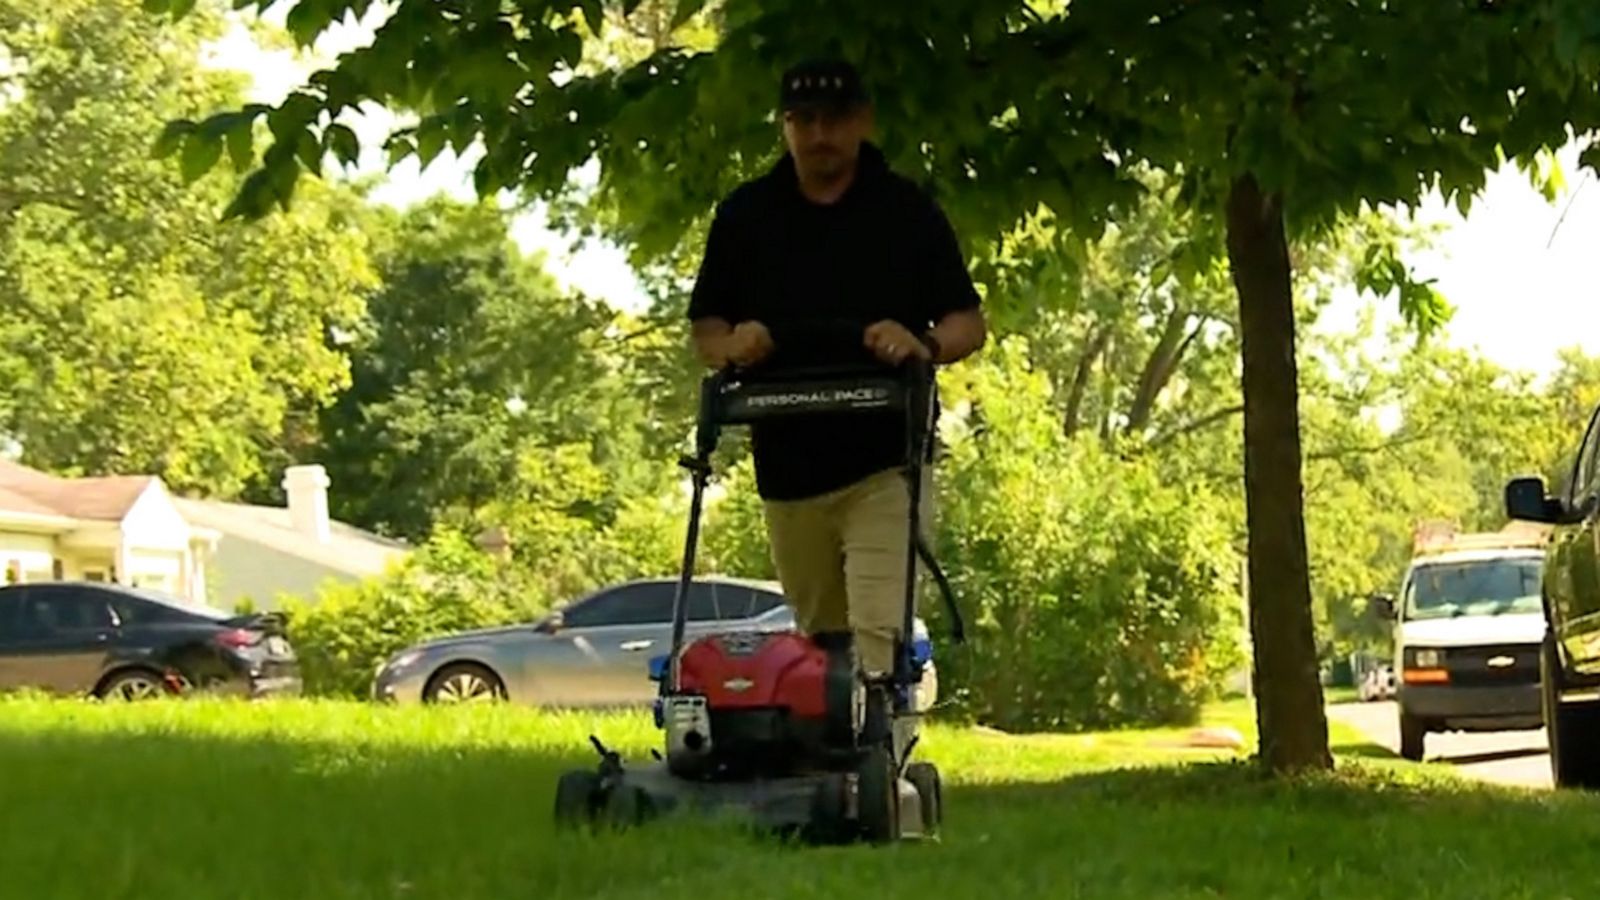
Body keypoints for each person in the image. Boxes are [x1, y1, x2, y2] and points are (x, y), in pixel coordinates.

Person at [686, 58, 987, 682]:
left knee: (879, 637)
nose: (820, 134)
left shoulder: (907, 212)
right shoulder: (746, 215)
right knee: (823, 644)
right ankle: (834, 767)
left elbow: (969, 323)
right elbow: (706, 331)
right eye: (805, 121)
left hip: (886, 464)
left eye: (835, 120)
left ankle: (884, 764)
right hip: (789, 471)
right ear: (786, 126)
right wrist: (734, 343)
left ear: (863, 121)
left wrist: (922, 344)